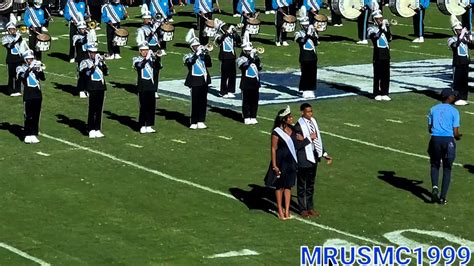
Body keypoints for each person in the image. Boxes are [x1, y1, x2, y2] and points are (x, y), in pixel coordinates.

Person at [264, 106, 309, 220]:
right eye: (289, 117)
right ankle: (280, 210)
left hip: (291, 161)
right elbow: (273, 148)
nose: (291, 118)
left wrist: (304, 139)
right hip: (281, 161)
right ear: (284, 119)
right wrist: (274, 165)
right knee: (280, 187)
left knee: (288, 186)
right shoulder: (276, 132)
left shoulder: (293, 130)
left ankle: (287, 210)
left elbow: (297, 144)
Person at [294, 103, 332, 217]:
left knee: (310, 185)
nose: (310, 114)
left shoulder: (313, 122)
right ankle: (302, 208)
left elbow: (318, 139)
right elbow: (297, 145)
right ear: (302, 112)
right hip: (303, 158)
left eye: (311, 111)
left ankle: (310, 207)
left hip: (314, 157)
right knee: (302, 185)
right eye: (308, 112)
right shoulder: (298, 126)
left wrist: (324, 153)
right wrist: (309, 138)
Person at [427, 88, 462, 205]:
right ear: (449, 97)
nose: (454, 97)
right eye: (453, 96)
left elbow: (430, 128)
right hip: (448, 141)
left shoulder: (433, 109)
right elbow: (455, 132)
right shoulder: (454, 111)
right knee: (447, 168)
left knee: (435, 164)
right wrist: (458, 137)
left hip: (435, 140)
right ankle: (443, 197)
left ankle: (435, 188)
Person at [183, 29, 212, 129]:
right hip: (194, 81)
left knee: (203, 101)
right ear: (192, 47)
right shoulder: (188, 55)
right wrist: (197, 54)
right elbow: (189, 63)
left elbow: (209, 64)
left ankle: (201, 120)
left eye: (198, 45)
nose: (197, 47)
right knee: (195, 102)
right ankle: (194, 121)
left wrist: (206, 53)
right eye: (195, 46)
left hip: (204, 81)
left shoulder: (203, 55)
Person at [79, 43, 109, 138]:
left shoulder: (99, 61)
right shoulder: (85, 62)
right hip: (92, 87)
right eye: (92, 52)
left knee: (99, 109)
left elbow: (106, 73)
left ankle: (97, 128)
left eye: (95, 52)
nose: (93, 54)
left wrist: (103, 63)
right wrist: (95, 64)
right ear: (88, 53)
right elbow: (86, 73)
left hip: (101, 87)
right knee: (92, 109)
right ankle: (91, 129)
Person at [16, 50, 46, 144]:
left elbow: (43, 78)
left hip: (37, 94)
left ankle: (34, 133)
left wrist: (40, 70)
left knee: (36, 115)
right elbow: (23, 77)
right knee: (28, 115)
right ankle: (27, 134)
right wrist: (30, 68)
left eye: (32, 59)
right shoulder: (20, 68)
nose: (31, 60)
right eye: (29, 59)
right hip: (28, 94)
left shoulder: (35, 68)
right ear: (25, 59)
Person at [133, 42, 162, 134]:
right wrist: (147, 58)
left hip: (151, 86)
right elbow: (139, 66)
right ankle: (142, 125)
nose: (145, 52)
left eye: (146, 50)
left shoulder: (151, 60)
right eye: (143, 51)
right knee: (143, 106)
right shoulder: (136, 59)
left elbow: (158, 67)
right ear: (140, 51)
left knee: (151, 107)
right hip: (142, 86)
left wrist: (156, 58)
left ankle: (149, 125)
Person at [137, 4, 162, 98]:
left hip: (156, 49)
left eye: (149, 18)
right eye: (146, 18)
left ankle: (155, 90)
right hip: (147, 50)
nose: (148, 20)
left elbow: (160, 37)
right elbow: (141, 42)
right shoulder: (141, 30)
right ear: (143, 19)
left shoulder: (154, 26)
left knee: (156, 70)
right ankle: (145, 88)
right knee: (147, 70)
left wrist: (159, 28)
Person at [237, 32, 262, 124]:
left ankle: (253, 116)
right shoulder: (241, 59)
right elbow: (244, 66)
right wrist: (251, 58)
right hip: (246, 83)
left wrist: (256, 58)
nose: (249, 52)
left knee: (255, 101)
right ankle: (246, 116)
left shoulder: (254, 58)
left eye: (249, 50)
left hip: (255, 83)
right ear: (244, 51)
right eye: (247, 50)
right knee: (246, 101)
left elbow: (259, 67)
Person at [367, 9, 391, 101]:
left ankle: (385, 92)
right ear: (374, 20)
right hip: (377, 55)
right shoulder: (371, 28)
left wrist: (387, 28)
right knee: (377, 75)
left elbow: (389, 39)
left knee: (386, 74)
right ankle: (376, 93)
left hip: (386, 54)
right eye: (378, 19)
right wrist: (381, 29)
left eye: (381, 18)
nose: (380, 20)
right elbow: (375, 37)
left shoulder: (384, 28)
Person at [2, 16, 29, 97]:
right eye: (10, 29)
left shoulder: (18, 37)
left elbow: (23, 47)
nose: (12, 31)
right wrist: (16, 39)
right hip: (10, 60)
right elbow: (9, 46)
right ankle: (10, 91)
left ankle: (17, 90)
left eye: (13, 29)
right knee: (11, 76)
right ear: (8, 30)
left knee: (19, 74)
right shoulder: (5, 38)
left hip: (19, 59)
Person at [295, 6, 318, 99]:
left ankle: (311, 89)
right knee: (305, 74)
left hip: (313, 56)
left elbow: (316, 42)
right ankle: (304, 89)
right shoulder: (298, 33)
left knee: (313, 74)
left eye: (307, 25)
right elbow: (301, 41)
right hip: (304, 57)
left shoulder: (312, 32)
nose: (306, 27)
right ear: (301, 25)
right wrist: (308, 34)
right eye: (304, 25)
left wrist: (312, 34)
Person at [448, 15, 472, 106]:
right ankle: (456, 98)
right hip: (457, 63)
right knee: (457, 82)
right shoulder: (451, 39)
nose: (460, 31)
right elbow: (454, 46)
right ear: (454, 30)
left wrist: (469, 38)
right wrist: (461, 36)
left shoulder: (464, 38)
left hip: (465, 63)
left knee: (464, 82)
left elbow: (471, 46)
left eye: (460, 29)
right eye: (458, 29)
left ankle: (463, 98)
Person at [215, 22, 240, 98]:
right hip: (225, 57)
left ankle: (230, 90)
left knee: (232, 75)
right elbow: (218, 41)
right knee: (224, 75)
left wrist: (235, 32)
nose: (227, 28)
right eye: (225, 27)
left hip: (232, 56)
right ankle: (223, 91)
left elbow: (239, 41)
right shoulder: (219, 35)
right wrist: (226, 33)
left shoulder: (232, 35)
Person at [73, 20, 91, 98]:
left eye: (84, 28)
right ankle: (80, 90)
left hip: (88, 57)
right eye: (82, 28)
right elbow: (79, 42)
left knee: (88, 74)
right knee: (82, 75)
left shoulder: (87, 35)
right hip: (81, 58)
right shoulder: (76, 36)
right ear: (79, 29)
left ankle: (86, 89)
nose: (84, 29)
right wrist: (87, 36)